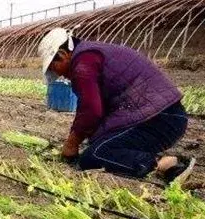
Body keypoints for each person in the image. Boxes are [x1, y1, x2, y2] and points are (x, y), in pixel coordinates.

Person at [38, 28, 195, 184]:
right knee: (98, 142)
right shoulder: (91, 53)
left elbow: (91, 110)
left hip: (160, 119)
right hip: (165, 115)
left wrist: (71, 144)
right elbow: (96, 111)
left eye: (53, 68)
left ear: (63, 55)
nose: (57, 74)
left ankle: (164, 164)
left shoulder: (83, 63)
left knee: (94, 157)